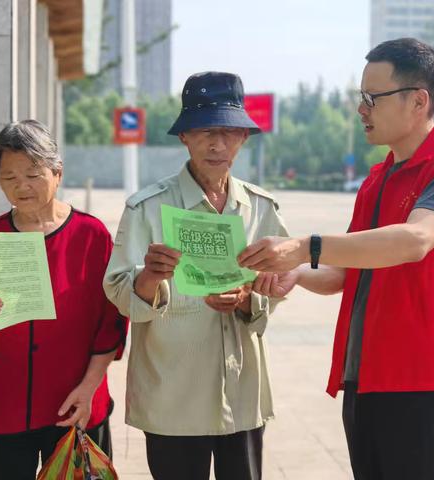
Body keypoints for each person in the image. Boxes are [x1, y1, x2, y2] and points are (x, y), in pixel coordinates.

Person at [238, 37, 434, 480]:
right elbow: (345, 272)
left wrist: (306, 246)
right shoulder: (376, 178)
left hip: (426, 382)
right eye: (360, 97)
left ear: (418, 101)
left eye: (373, 98)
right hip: (366, 377)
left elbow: (416, 239)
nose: (362, 109)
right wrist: (293, 272)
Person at [103, 71, 288, 480]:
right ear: (185, 137)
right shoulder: (146, 208)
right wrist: (151, 277)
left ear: (243, 138)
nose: (217, 144)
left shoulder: (261, 208)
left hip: (241, 393)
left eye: (228, 131)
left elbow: (279, 281)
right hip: (173, 395)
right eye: (205, 131)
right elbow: (117, 290)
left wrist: (248, 299)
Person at [0, 120, 128, 480]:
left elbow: (111, 323)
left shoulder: (92, 235)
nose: (21, 186)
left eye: (33, 174)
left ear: (57, 173)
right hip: (3, 408)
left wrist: (88, 389)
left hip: (75, 404)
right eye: (8, 177)